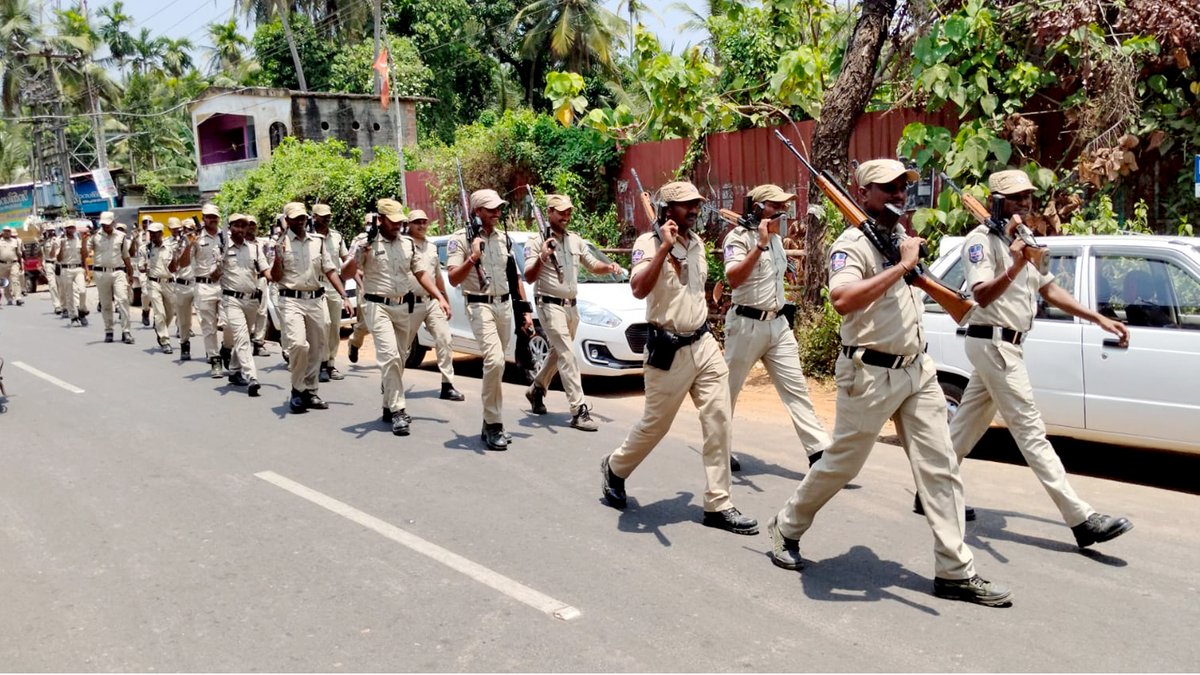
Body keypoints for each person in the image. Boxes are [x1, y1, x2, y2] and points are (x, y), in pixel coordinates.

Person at [765, 159, 1011, 607]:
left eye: (903, 187)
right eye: (888, 188)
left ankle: (955, 571)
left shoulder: (901, 238)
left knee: (940, 468)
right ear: (864, 195)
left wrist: (909, 260)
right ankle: (787, 524)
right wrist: (902, 267)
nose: (899, 194)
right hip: (869, 373)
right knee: (843, 464)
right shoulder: (851, 244)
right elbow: (841, 299)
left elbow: (931, 291)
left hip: (917, 370)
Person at [943, 169, 1133, 549]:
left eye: (1028, 197)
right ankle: (1081, 518)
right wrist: (1013, 264)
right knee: (1030, 431)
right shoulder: (980, 243)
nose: (1026, 204)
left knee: (965, 427)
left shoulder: (1023, 239)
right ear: (996, 201)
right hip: (993, 343)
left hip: (1006, 345)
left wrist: (1096, 317)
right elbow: (980, 295)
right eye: (1016, 198)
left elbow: (1049, 288)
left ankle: (930, 487)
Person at [599, 181, 757, 535]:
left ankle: (718, 503)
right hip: (667, 350)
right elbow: (639, 288)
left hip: (703, 344)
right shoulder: (647, 244)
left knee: (718, 417)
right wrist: (663, 250)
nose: (695, 210)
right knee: (656, 426)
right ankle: (615, 467)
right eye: (687, 205)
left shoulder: (698, 244)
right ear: (668, 210)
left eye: (697, 203)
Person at [722, 184, 830, 469]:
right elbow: (734, 279)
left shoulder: (778, 242)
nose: (783, 211)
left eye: (784, 205)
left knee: (796, 389)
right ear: (757, 208)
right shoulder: (738, 238)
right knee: (727, 393)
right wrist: (758, 244)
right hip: (746, 324)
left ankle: (819, 452)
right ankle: (719, 447)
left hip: (778, 325)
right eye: (775, 205)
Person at [351, 199, 451, 435]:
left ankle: (388, 405)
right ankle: (398, 411)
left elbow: (421, 272)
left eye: (399, 221)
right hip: (378, 306)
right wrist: (358, 253)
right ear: (381, 220)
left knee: (400, 357)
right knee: (390, 356)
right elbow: (348, 271)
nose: (397, 226)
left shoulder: (407, 244)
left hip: (402, 307)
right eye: (393, 221)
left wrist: (440, 296)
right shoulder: (367, 242)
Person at [523, 193, 622, 431]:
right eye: (561, 212)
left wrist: (608, 267)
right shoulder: (536, 242)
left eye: (569, 211)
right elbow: (528, 275)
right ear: (549, 213)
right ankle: (578, 410)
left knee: (558, 352)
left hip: (571, 307)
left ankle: (537, 388)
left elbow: (591, 264)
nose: (566, 216)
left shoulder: (575, 240)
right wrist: (542, 256)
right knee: (568, 354)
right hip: (549, 305)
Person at [446, 189, 534, 451]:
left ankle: (488, 421)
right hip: (479, 305)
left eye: (499, 208)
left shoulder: (503, 238)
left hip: (505, 305)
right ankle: (495, 423)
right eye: (491, 208)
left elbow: (514, 276)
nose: (497, 212)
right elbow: (453, 278)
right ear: (477, 212)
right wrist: (473, 257)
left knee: (498, 366)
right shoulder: (460, 240)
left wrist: (525, 311)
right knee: (494, 360)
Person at [266, 201, 352, 414]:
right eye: (295, 217)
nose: (301, 220)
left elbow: (331, 270)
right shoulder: (279, 244)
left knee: (316, 347)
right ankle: (297, 389)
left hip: (315, 299)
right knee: (298, 345)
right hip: (291, 299)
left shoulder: (318, 242)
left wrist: (344, 296)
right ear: (287, 220)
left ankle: (311, 391)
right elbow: (275, 277)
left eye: (303, 217)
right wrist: (277, 256)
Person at [405, 209, 464, 401]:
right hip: (409, 303)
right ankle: (391, 380)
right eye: (417, 222)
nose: (421, 225)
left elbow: (437, 275)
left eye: (424, 222)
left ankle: (447, 385)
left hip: (432, 301)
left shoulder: (431, 246)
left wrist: (444, 299)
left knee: (444, 339)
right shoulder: (403, 246)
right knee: (402, 346)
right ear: (409, 224)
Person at [220, 214, 270, 397]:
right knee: (242, 338)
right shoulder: (222, 248)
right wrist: (218, 264)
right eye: (237, 226)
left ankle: (233, 369)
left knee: (244, 336)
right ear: (230, 227)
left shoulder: (255, 249)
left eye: (244, 226)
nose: (241, 229)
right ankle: (252, 377)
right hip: (231, 300)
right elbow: (213, 275)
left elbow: (266, 272)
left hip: (251, 300)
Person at [176, 204, 226, 377]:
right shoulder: (195, 237)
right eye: (208, 216)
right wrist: (190, 244)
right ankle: (215, 360)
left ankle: (226, 349)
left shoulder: (225, 235)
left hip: (225, 285)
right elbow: (182, 264)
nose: (212, 219)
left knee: (231, 324)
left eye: (215, 216)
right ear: (203, 218)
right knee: (209, 327)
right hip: (204, 286)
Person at [312, 203, 350, 382]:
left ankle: (331, 364)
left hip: (334, 287)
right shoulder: (309, 237)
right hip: (316, 288)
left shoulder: (337, 237)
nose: (327, 218)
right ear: (315, 217)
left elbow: (346, 260)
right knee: (323, 324)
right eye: (322, 216)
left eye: (328, 215)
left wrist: (359, 281)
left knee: (334, 327)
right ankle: (321, 362)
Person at [88, 211, 135, 344]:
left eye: (108, 224)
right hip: (101, 273)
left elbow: (126, 256)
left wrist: (130, 273)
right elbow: (87, 252)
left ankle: (126, 331)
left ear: (113, 223)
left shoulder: (121, 236)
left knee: (123, 300)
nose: (105, 227)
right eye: (103, 224)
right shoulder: (95, 236)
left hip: (118, 271)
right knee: (106, 303)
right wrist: (87, 238)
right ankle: (109, 330)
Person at [143, 222, 177, 354]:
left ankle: (160, 329)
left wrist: (175, 256)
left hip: (168, 282)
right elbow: (141, 266)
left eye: (155, 233)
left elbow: (173, 268)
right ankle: (164, 340)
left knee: (170, 312)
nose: (153, 235)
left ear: (162, 234)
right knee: (159, 313)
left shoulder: (169, 248)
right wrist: (143, 267)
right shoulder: (145, 249)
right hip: (153, 282)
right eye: (151, 233)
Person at [167, 218, 197, 361]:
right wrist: (181, 248)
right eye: (186, 229)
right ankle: (185, 344)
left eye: (191, 229)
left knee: (207, 319)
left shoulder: (202, 241)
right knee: (184, 320)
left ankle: (213, 353)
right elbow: (173, 267)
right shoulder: (176, 245)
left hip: (199, 284)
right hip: (182, 284)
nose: (188, 232)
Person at [248, 214, 272, 357]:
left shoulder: (263, 243)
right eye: (248, 225)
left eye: (253, 225)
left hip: (261, 278)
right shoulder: (239, 244)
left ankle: (259, 343)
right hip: (246, 280)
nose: (251, 228)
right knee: (247, 311)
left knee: (262, 312)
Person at [56, 220, 88, 326]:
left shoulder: (78, 240)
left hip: (78, 268)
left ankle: (82, 310)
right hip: (66, 269)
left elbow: (84, 255)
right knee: (69, 294)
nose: (71, 229)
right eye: (69, 227)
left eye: (73, 227)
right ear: (65, 229)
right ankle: (73, 316)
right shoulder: (60, 241)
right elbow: (59, 259)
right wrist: (61, 247)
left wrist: (84, 242)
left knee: (82, 290)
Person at [40, 225, 62, 315]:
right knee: (52, 285)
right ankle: (57, 306)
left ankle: (63, 304)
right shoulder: (44, 241)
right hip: (49, 264)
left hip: (58, 264)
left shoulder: (59, 239)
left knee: (60, 285)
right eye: (49, 231)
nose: (51, 232)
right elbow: (41, 253)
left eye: (52, 231)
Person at [0, 227, 24, 306]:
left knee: (15, 279)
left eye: (8, 231)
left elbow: (19, 254)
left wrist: (20, 264)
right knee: (5, 282)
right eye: (5, 231)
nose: (7, 233)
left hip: (14, 263)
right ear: (3, 232)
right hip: (2, 264)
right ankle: (9, 298)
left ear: (10, 233)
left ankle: (18, 298)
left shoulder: (15, 241)